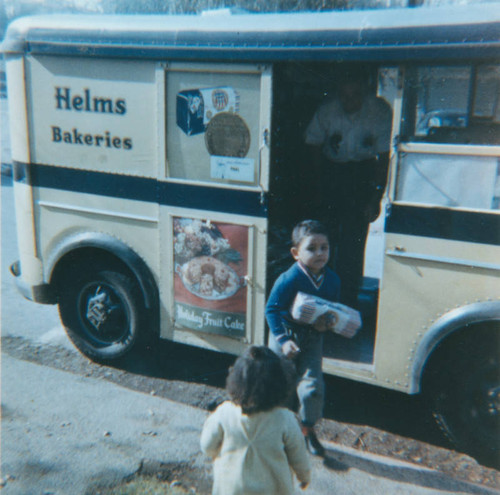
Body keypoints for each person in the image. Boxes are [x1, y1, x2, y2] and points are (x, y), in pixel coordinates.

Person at [304, 65, 393, 307]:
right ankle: (324, 300)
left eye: (354, 95)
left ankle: (348, 302)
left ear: (364, 92)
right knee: (325, 243)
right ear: (337, 94)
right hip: (333, 174)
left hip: (362, 175)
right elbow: (312, 145)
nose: (349, 101)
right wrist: (318, 185)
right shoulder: (327, 111)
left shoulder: (379, 111)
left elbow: (384, 158)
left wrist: (376, 197)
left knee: (354, 245)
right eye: (344, 95)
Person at [266, 220, 340, 457]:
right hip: (285, 336)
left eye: (324, 247)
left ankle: (307, 430)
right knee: (280, 385)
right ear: (296, 253)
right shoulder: (289, 279)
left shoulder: (332, 280)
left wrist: (326, 324)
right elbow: (271, 309)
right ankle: (277, 432)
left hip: (312, 337)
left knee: (312, 387)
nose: (319, 253)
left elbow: (331, 310)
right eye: (311, 248)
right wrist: (282, 339)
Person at [200, 345, 311, 495]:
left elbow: (207, 446)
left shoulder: (224, 413)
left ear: (236, 379)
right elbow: (299, 456)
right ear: (279, 383)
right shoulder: (285, 418)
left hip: (231, 490)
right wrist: (304, 476)